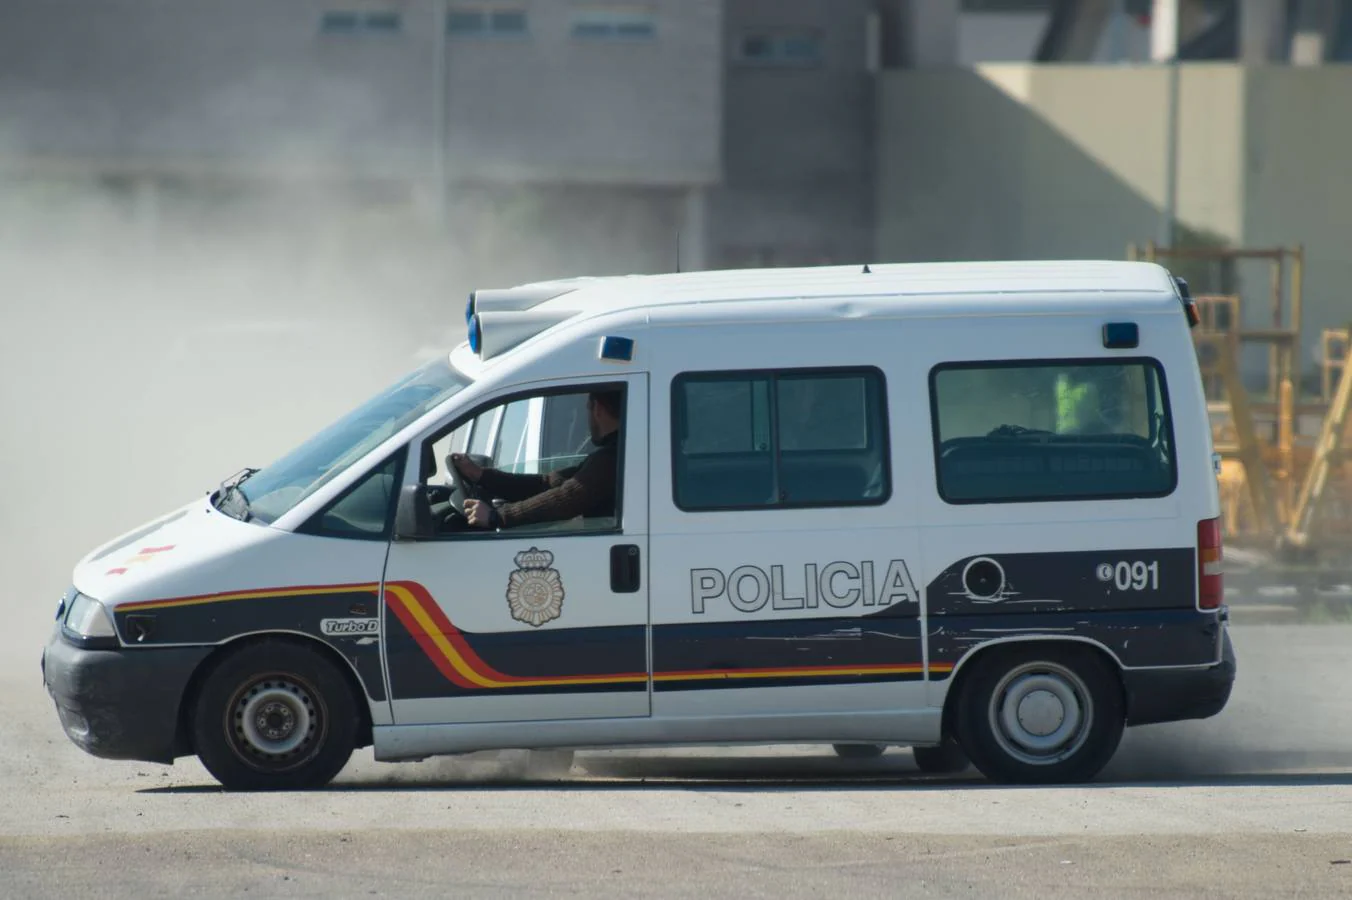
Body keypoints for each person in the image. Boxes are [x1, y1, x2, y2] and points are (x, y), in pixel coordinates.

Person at [451, 390, 622, 530]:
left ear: (597, 408)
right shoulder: (618, 452)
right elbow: (547, 483)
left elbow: (566, 499)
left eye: (587, 409)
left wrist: (497, 517)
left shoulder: (612, 459)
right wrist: (480, 475)